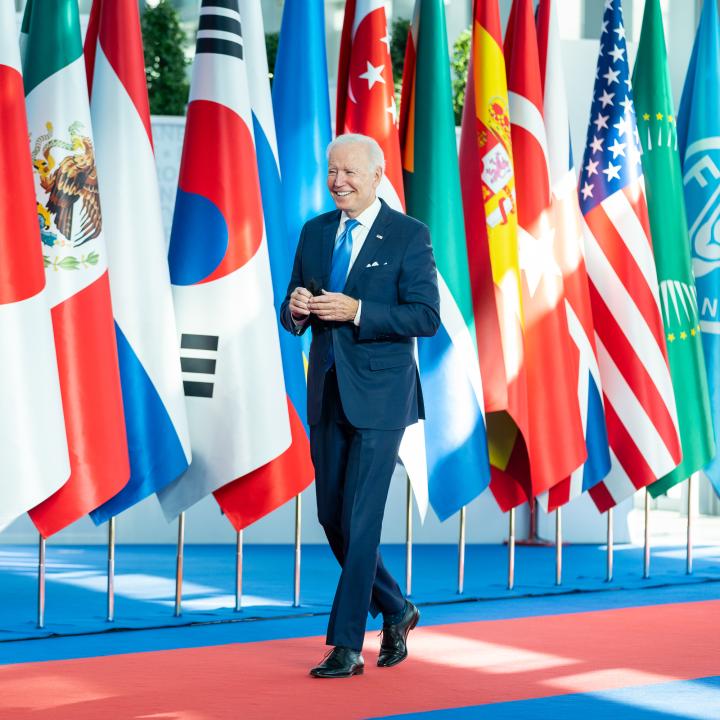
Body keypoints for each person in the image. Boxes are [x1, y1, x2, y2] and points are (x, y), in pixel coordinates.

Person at [280, 133, 440, 678]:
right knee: (332, 517)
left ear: (376, 176)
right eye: (331, 171)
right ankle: (397, 608)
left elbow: (424, 316)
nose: (338, 181)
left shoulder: (409, 235)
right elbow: (291, 309)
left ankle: (347, 645)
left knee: (362, 519)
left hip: (382, 398)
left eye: (349, 172)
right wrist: (298, 308)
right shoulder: (316, 232)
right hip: (327, 391)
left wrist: (357, 311)